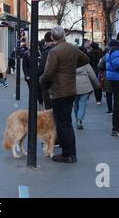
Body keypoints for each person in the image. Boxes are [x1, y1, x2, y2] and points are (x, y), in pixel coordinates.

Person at [40, 26, 89, 163]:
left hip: (59, 90)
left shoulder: (54, 52)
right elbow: (85, 59)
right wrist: (71, 67)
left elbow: (48, 72)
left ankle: (67, 154)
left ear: (53, 38)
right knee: (67, 121)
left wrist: (41, 79)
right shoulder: (72, 48)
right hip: (71, 90)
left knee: (62, 123)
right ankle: (71, 152)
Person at [74, 63, 99, 130]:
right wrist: (96, 86)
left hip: (73, 86)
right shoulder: (85, 64)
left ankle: (77, 119)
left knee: (75, 104)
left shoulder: (69, 63)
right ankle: (79, 120)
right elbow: (93, 77)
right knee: (83, 103)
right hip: (85, 86)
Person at [38, 32, 55, 109]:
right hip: (62, 83)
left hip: (48, 82)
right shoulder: (62, 49)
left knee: (49, 105)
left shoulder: (47, 51)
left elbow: (42, 68)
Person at [98, 49, 113, 115]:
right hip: (118, 77)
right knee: (118, 94)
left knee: (109, 93)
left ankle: (110, 110)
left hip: (108, 75)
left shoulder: (105, 57)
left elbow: (100, 66)